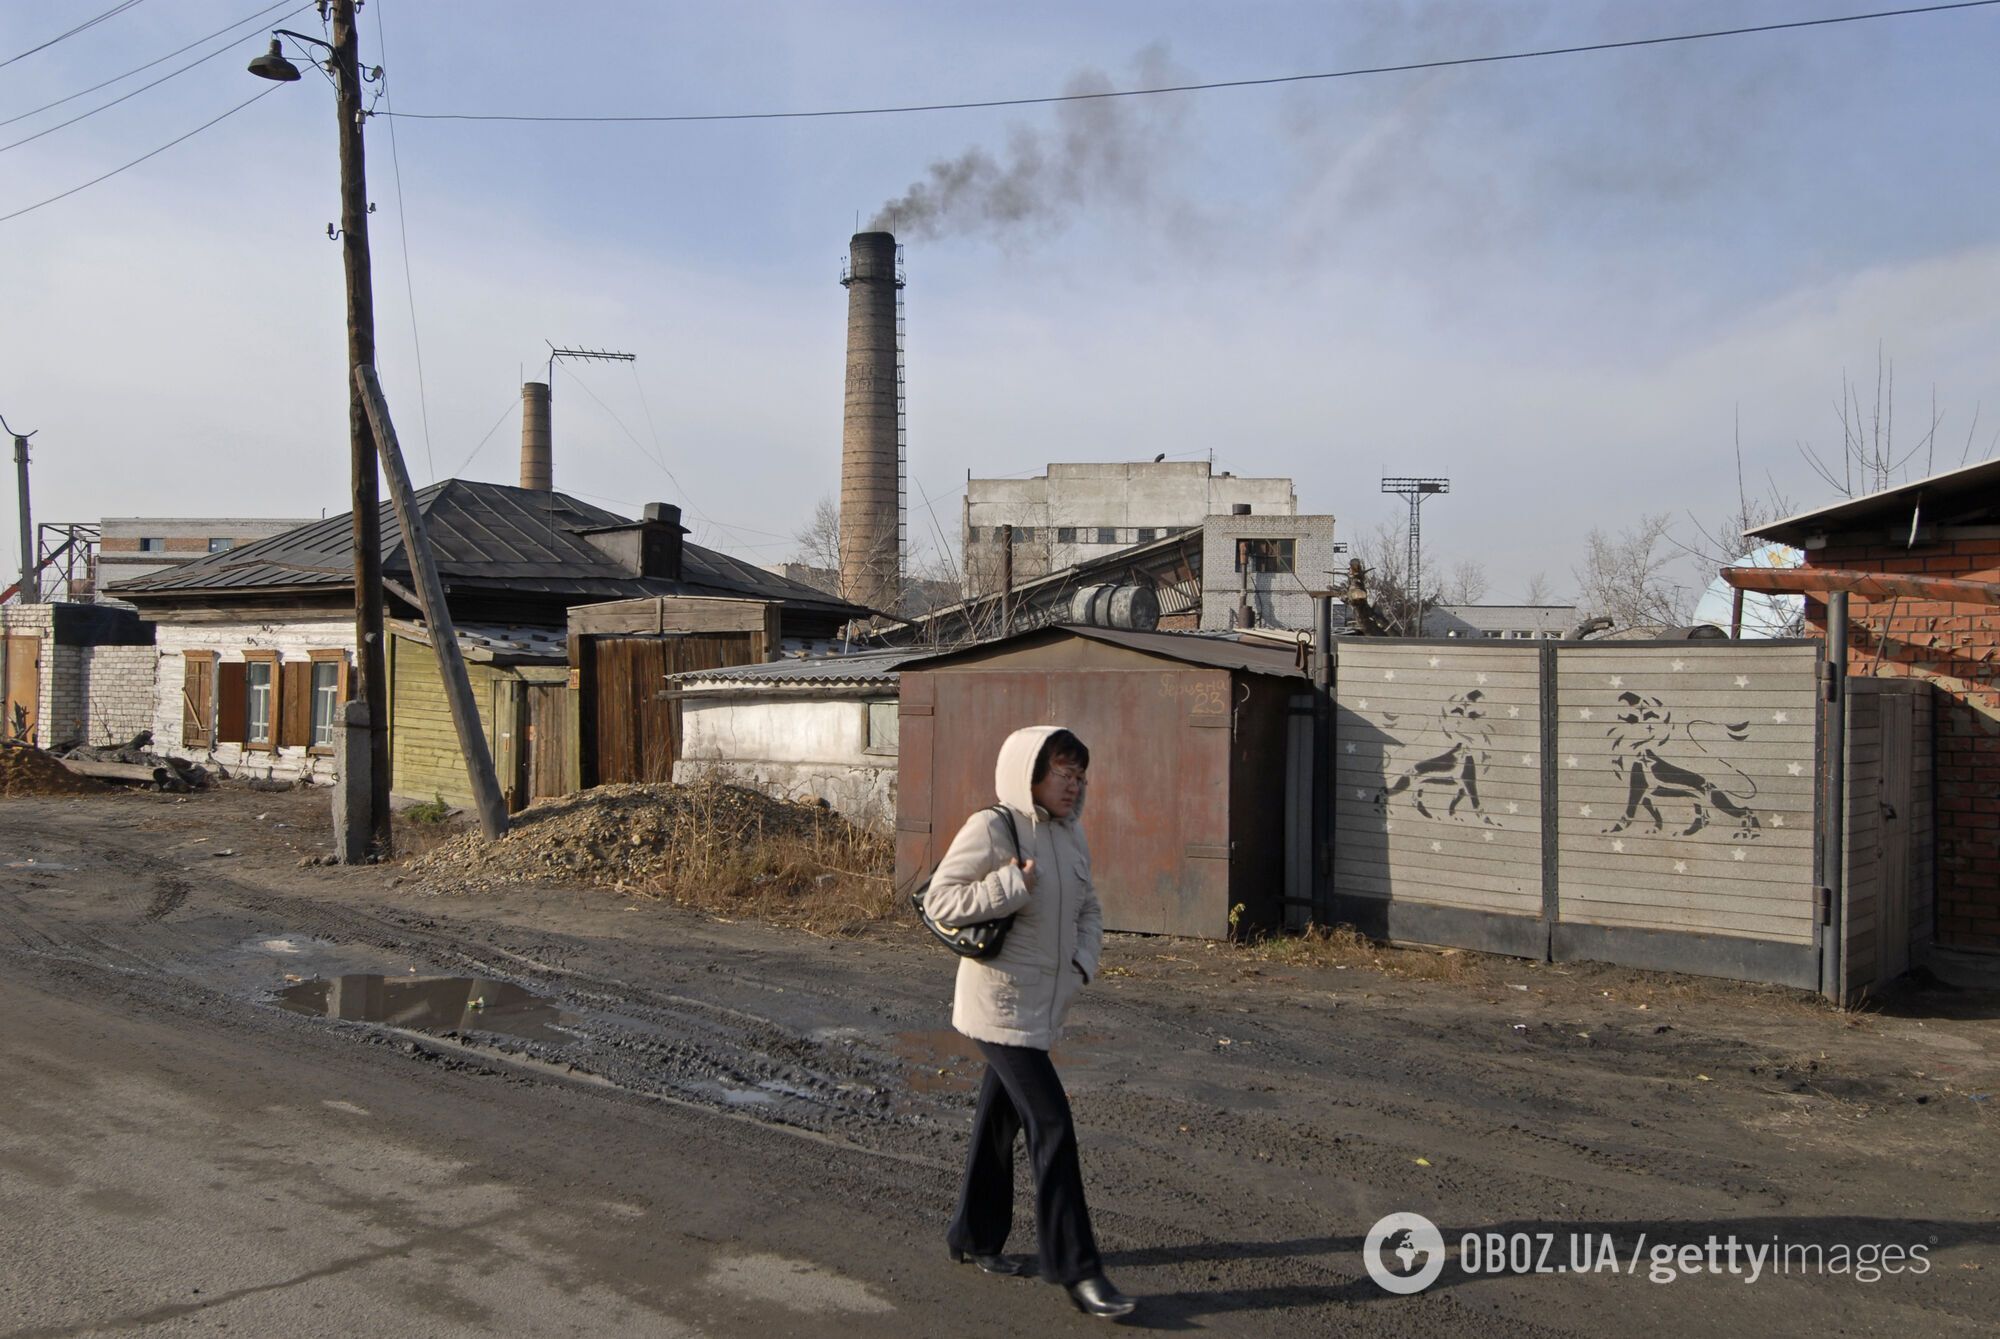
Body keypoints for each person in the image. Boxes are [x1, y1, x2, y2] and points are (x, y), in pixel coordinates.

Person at [922, 725, 1136, 1321]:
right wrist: (1011, 883)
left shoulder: (1071, 834)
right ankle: (1078, 1268)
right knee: (1052, 1123)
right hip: (998, 1007)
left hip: (1044, 1005)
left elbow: (1090, 905)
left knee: (999, 1121)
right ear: (1030, 773)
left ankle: (974, 1236)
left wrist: (1081, 964)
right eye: (1063, 774)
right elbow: (941, 901)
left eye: (1080, 776)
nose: (1074, 786)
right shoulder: (994, 826)